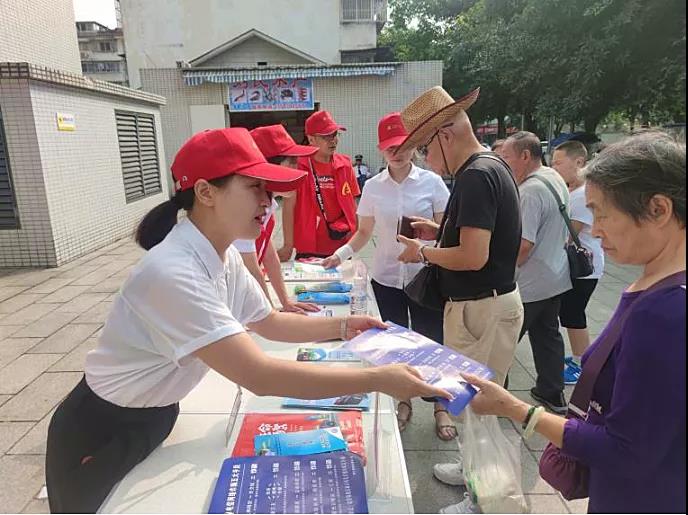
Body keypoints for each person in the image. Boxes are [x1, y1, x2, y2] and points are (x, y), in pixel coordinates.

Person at [44, 128, 450, 513]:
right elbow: (259, 375)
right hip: (103, 431)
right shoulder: (172, 272)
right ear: (205, 192)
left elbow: (269, 322)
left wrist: (346, 327)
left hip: (157, 413)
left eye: (270, 191)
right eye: (254, 188)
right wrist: (378, 379)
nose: (268, 202)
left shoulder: (220, 256)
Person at [459, 130, 686, 515]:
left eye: (601, 213)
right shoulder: (654, 282)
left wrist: (517, 409)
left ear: (658, 210)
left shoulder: (665, 311)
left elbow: (627, 450)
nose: (595, 229)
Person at [394, 86, 523, 492]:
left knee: (475, 407)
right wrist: (439, 230)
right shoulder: (490, 166)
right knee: (475, 405)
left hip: (480, 309)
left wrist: (425, 251)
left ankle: (483, 493)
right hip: (489, 305)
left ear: (445, 136)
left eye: (425, 150)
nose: (425, 160)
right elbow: (479, 236)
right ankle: (474, 473)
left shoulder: (474, 176)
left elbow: (472, 256)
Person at [321, 112, 450, 437]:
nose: (398, 152)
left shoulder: (432, 182)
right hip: (387, 278)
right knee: (394, 343)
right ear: (381, 149)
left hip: (425, 275)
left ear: (414, 145)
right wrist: (340, 254)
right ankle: (403, 400)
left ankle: (440, 406)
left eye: (404, 145)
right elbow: (363, 232)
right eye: (391, 146)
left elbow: (446, 231)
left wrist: (422, 245)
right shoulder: (374, 187)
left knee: (432, 342)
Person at [499, 131, 572, 414]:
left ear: (525, 156)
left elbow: (523, 245)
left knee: (503, 342)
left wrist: (501, 273)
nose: (505, 164)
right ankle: (552, 393)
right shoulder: (554, 178)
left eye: (507, 158)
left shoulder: (529, 191)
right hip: (555, 276)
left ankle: (497, 397)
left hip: (529, 284)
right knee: (548, 335)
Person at [231, 124, 320, 314]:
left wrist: (285, 302)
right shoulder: (245, 207)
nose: (297, 170)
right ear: (268, 166)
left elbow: (269, 256)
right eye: (292, 162)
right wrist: (270, 313)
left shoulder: (267, 203)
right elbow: (251, 267)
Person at [551, 140, 605, 384]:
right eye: (552, 163)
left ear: (579, 162)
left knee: (573, 314)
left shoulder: (583, 195)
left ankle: (580, 362)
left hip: (584, 267)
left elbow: (568, 233)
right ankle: (578, 358)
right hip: (581, 265)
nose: (554, 168)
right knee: (570, 312)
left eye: (559, 163)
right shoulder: (573, 192)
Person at [277, 111, 360, 260]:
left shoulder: (345, 165)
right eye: (326, 136)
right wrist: (288, 245)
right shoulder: (299, 166)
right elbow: (288, 207)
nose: (333, 141)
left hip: (341, 246)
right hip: (309, 247)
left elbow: (353, 205)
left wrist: (354, 238)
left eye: (334, 135)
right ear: (311, 139)